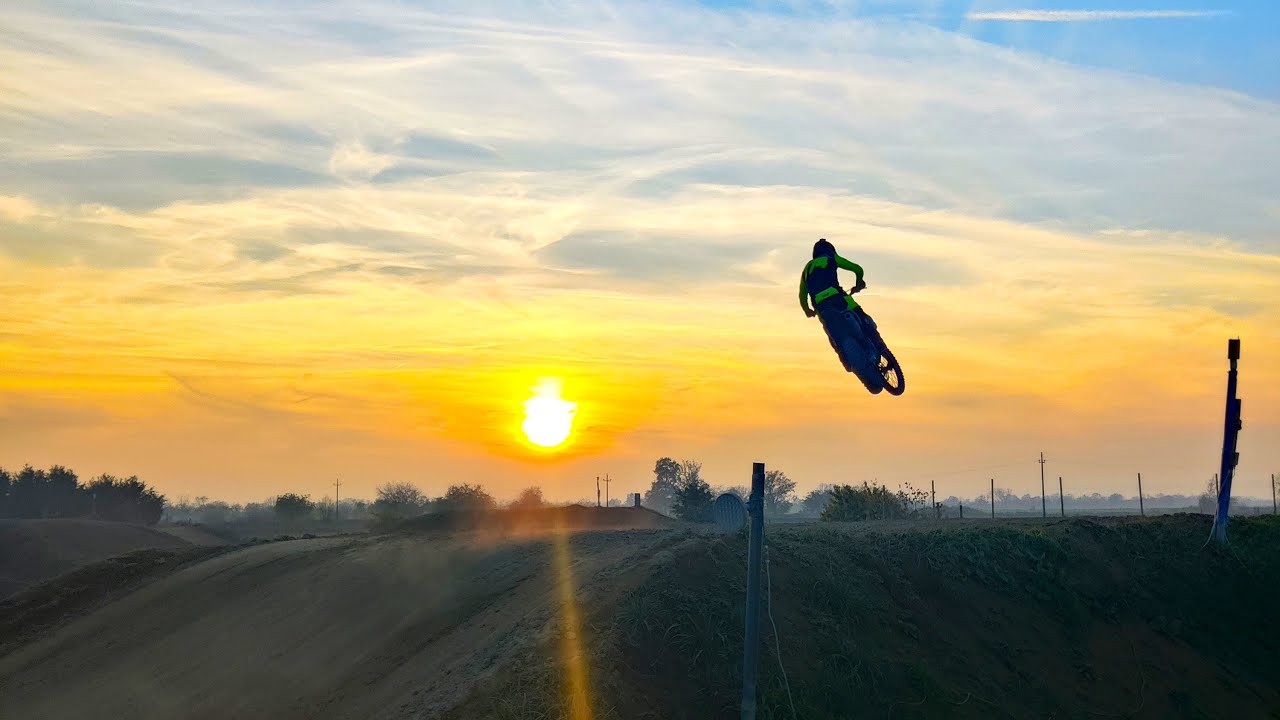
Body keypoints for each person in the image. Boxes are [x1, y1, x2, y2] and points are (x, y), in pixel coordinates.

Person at [799, 238, 884, 367]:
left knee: (830, 332)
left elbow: (802, 295)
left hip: (820, 306)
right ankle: (878, 344)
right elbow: (857, 269)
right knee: (862, 316)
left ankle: (845, 359)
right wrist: (859, 282)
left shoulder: (806, 269)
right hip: (836, 297)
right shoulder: (830, 258)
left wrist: (807, 310)